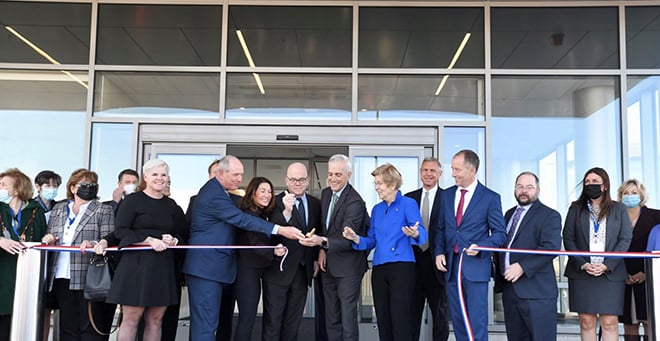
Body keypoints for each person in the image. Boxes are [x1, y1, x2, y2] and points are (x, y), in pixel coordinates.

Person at [183, 155, 305, 341]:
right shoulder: (213, 194)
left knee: (211, 325)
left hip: (217, 269)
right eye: (236, 175)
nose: (240, 179)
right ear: (221, 173)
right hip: (206, 269)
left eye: (241, 174)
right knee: (205, 328)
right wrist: (280, 229)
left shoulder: (224, 192)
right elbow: (242, 220)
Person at [343, 163, 426, 341]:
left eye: (379, 183)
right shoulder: (377, 209)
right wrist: (355, 238)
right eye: (375, 183)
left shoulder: (408, 204)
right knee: (383, 319)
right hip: (380, 269)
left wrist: (415, 233)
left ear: (392, 184)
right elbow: (371, 240)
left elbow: (423, 233)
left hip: (402, 268)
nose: (377, 187)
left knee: (400, 319)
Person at [106, 159, 187, 341]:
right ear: (146, 177)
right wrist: (147, 240)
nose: (160, 178)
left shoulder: (172, 205)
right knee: (131, 319)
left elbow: (183, 236)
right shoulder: (133, 201)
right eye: (155, 174)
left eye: (164, 175)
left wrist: (173, 240)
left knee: (156, 320)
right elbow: (121, 231)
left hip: (162, 266)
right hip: (136, 265)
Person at [433, 149, 506, 341]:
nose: (453, 173)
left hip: (475, 269)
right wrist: (439, 252)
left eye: (457, 169)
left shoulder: (490, 198)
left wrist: (481, 246)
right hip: (451, 267)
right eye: (453, 169)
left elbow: (500, 234)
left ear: (471, 170)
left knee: (476, 322)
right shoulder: (446, 195)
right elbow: (440, 228)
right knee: (458, 321)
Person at [300, 154, 370, 341]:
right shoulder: (326, 194)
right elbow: (326, 229)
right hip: (328, 266)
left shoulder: (355, 202)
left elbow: (349, 240)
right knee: (331, 317)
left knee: (347, 318)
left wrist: (321, 242)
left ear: (349, 174)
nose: (332, 178)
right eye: (330, 174)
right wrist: (323, 249)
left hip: (349, 268)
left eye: (338, 174)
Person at [41, 169, 116, 340]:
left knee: (89, 326)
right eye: (84, 185)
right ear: (73, 188)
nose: (89, 188)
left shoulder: (103, 210)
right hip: (61, 273)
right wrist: (49, 237)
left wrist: (94, 243)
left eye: (93, 185)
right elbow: (50, 233)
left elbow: (109, 238)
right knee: (68, 327)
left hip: (88, 274)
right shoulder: (59, 208)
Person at [563, 167, 632, 341]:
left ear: (605, 186)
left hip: (610, 274)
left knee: (609, 322)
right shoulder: (575, 208)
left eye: (595, 182)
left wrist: (607, 264)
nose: (590, 185)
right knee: (586, 321)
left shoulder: (619, 209)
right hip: (582, 272)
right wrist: (583, 263)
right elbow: (568, 238)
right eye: (587, 182)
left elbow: (625, 239)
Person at [492, 171, 562, 341]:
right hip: (510, 291)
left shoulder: (549, 215)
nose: (524, 191)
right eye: (520, 187)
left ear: (537, 190)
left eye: (529, 187)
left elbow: (551, 248)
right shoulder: (509, 214)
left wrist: (522, 267)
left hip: (537, 293)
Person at [263, 162, 322, 341]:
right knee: (273, 322)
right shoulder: (273, 201)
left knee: (293, 323)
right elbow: (269, 231)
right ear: (286, 180)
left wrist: (318, 255)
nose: (297, 183)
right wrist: (287, 212)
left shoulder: (315, 203)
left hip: (303, 271)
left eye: (301, 179)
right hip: (277, 271)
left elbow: (319, 231)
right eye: (293, 179)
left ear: (308, 180)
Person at [185, 159, 235, 341]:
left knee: (221, 322)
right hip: (205, 268)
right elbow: (188, 229)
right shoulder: (200, 199)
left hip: (228, 269)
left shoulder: (236, 200)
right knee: (204, 325)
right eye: (216, 173)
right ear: (210, 177)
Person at [232, 177, 285, 340]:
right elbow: (255, 243)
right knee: (247, 318)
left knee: (249, 317)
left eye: (270, 191)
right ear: (252, 193)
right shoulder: (248, 214)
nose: (267, 195)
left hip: (257, 269)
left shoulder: (261, 213)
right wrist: (274, 252)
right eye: (262, 191)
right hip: (247, 271)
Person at [404, 157, 450, 341]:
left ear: (440, 173)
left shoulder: (448, 198)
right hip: (413, 262)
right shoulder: (409, 198)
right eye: (425, 170)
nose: (429, 174)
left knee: (440, 314)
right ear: (420, 172)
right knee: (411, 314)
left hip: (438, 264)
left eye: (433, 170)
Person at [0, 168, 48, 340]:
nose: (0, 188)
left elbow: (42, 237)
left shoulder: (36, 212)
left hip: (25, 276)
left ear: (18, 188)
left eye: (3, 185)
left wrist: (47, 238)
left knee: (19, 323)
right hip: (2, 271)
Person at [617, 179, 660, 340]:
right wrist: (622, 273)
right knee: (629, 323)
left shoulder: (656, 216)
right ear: (620, 197)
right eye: (626, 193)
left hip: (650, 279)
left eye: (634, 192)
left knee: (651, 321)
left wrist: (646, 273)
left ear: (641, 195)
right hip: (624, 278)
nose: (630, 196)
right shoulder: (616, 218)